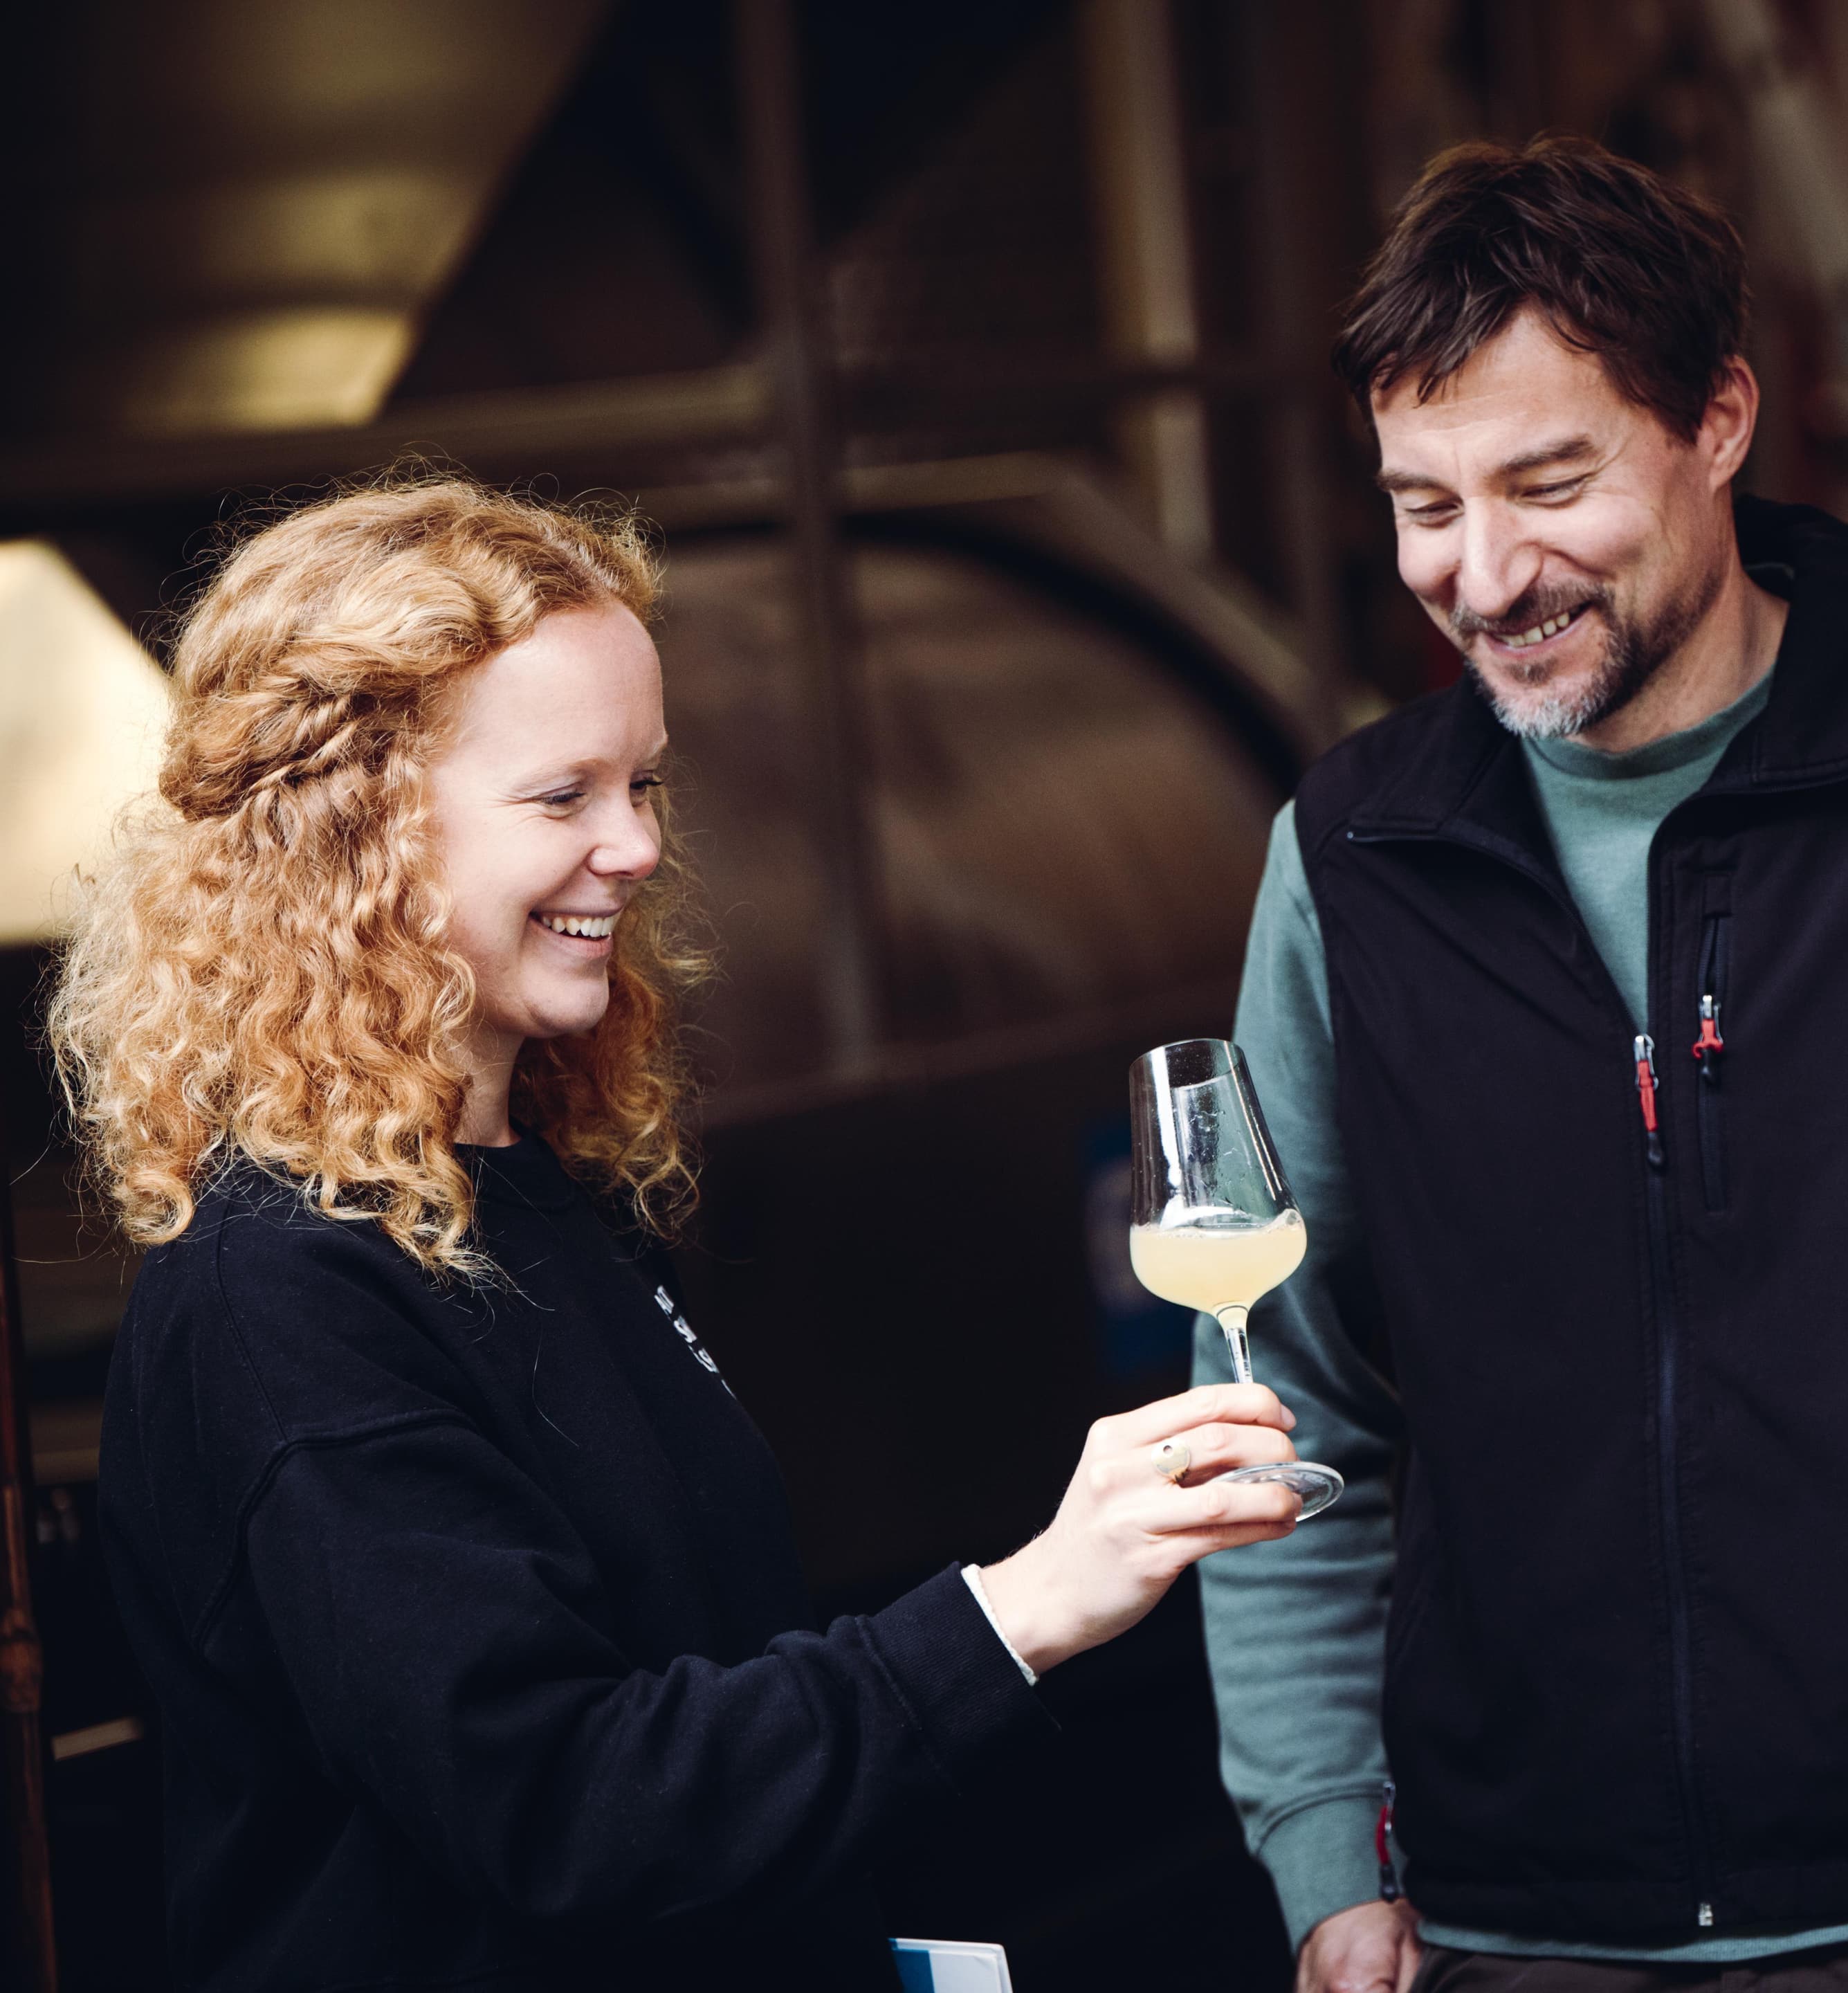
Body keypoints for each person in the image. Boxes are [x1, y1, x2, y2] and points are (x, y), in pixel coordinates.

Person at [50, 477, 1306, 1990]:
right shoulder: (282, 1295)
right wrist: (1025, 1604)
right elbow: (568, 1809)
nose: (636, 846)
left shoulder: (523, 1190)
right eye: (563, 795)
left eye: (640, 783)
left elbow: (695, 1668)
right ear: (354, 839)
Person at [1196, 137, 1848, 1993]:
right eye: (1424, 504)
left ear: (1723, 421)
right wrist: (1321, 1849)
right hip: (1521, 1930)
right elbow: (1282, 1407)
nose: (1484, 572)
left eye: (1549, 481)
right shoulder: (1355, 860)